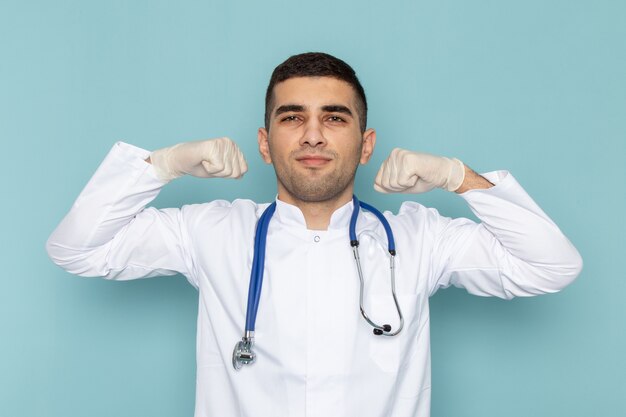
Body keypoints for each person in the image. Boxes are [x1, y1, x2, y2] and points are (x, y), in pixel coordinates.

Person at [46, 52, 583, 417]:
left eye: (334, 118)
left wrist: (458, 177)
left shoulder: (420, 239)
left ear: (366, 144)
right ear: (264, 142)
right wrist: (161, 165)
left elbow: (551, 266)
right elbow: (77, 249)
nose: (312, 135)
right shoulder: (212, 231)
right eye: (291, 117)